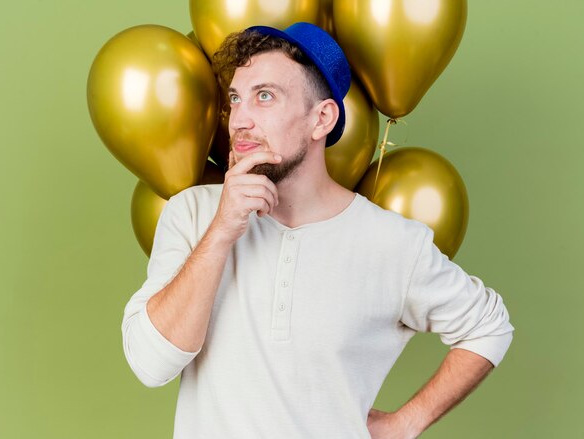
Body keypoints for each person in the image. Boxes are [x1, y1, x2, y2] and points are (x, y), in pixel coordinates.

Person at [122, 22, 514, 438]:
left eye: (265, 96)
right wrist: (221, 231)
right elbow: (150, 365)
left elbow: (489, 326)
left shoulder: (393, 243)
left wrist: (406, 422)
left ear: (321, 118)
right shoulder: (193, 214)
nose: (240, 119)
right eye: (236, 99)